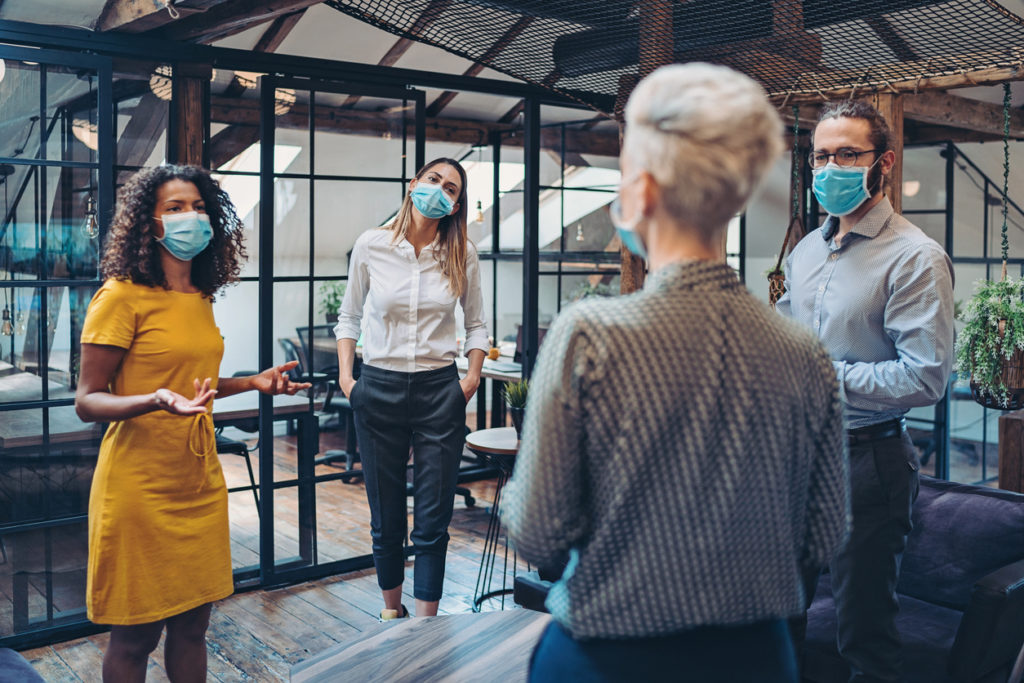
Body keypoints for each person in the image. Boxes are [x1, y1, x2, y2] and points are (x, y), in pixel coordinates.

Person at [501, 63, 851, 682]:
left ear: (643, 191)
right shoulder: (804, 352)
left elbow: (539, 531)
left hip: (606, 657)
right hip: (756, 659)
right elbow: (823, 537)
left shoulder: (588, 336)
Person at [75, 165, 310, 683]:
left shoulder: (200, 296)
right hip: (139, 486)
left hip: (198, 482)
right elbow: (88, 401)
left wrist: (253, 383)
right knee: (135, 637)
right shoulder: (121, 296)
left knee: (194, 627)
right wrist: (153, 400)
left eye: (199, 207)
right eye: (176, 207)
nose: (191, 217)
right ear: (149, 223)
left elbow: (195, 384)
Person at [778, 100, 955, 681]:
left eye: (847, 154)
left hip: (867, 460)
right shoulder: (806, 250)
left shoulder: (915, 257)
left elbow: (926, 376)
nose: (831, 166)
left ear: (884, 163)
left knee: (864, 633)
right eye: (821, 155)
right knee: (780, 613)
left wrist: (822, 372)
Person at [334, 157, 488, 620]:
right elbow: (349, 317)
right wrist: (348, 379)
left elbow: (478, 324)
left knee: (433, 517)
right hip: (376, 387)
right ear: (413, 184)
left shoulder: (463, 254)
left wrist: (471, 379)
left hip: (440, 390)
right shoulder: (372, 245)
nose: (440, 191)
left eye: (452, 189)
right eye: (433, 180)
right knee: (385, 516)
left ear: (457, 205)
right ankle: (390, 614)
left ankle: (426, 625)